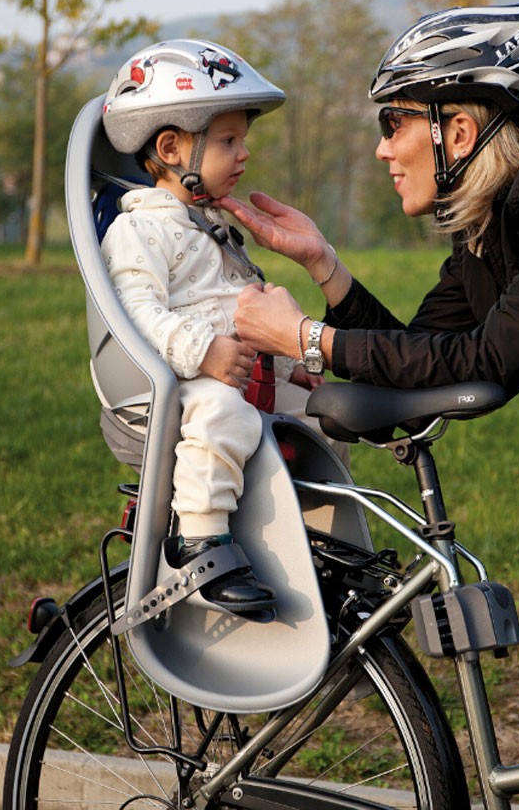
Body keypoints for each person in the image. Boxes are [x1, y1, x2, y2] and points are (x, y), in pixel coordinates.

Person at [221, 5, 519, 800]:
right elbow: (418, 364)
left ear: (459, 127)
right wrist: (325, 267)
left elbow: (492, 357)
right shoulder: (498, 221)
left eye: (394, 120)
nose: (382, 147)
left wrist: (308, 339)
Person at [100, 39, 333, 623]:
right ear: (171, 148)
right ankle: (201, 540)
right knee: (221, 412)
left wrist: (290, 364)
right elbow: (133, 311)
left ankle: (318, 540)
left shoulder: (210, 227)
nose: (244, 154)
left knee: (324, 414)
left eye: (241, 140)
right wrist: (202, 352)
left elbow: (240, 312)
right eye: (229, 141)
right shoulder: (139, 232)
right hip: (176, 386)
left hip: (235, 377)